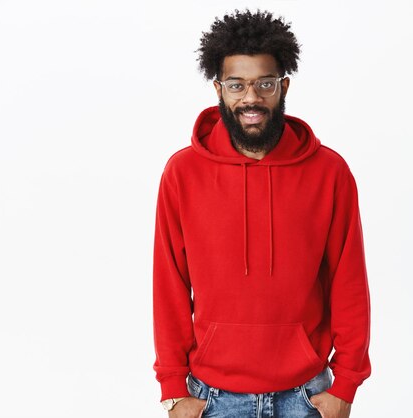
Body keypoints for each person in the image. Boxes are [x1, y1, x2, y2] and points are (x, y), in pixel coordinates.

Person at [152, 9, 371, 418]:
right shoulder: (183, 172)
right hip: (212, 398)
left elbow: (349, 281)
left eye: (264, 84)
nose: (251, 98)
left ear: (283, 86)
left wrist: (346, 384)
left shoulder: (329, 172)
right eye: (237, 85)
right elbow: (169, 284)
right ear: (219, 89)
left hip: (307, 396)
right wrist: (171, 389)